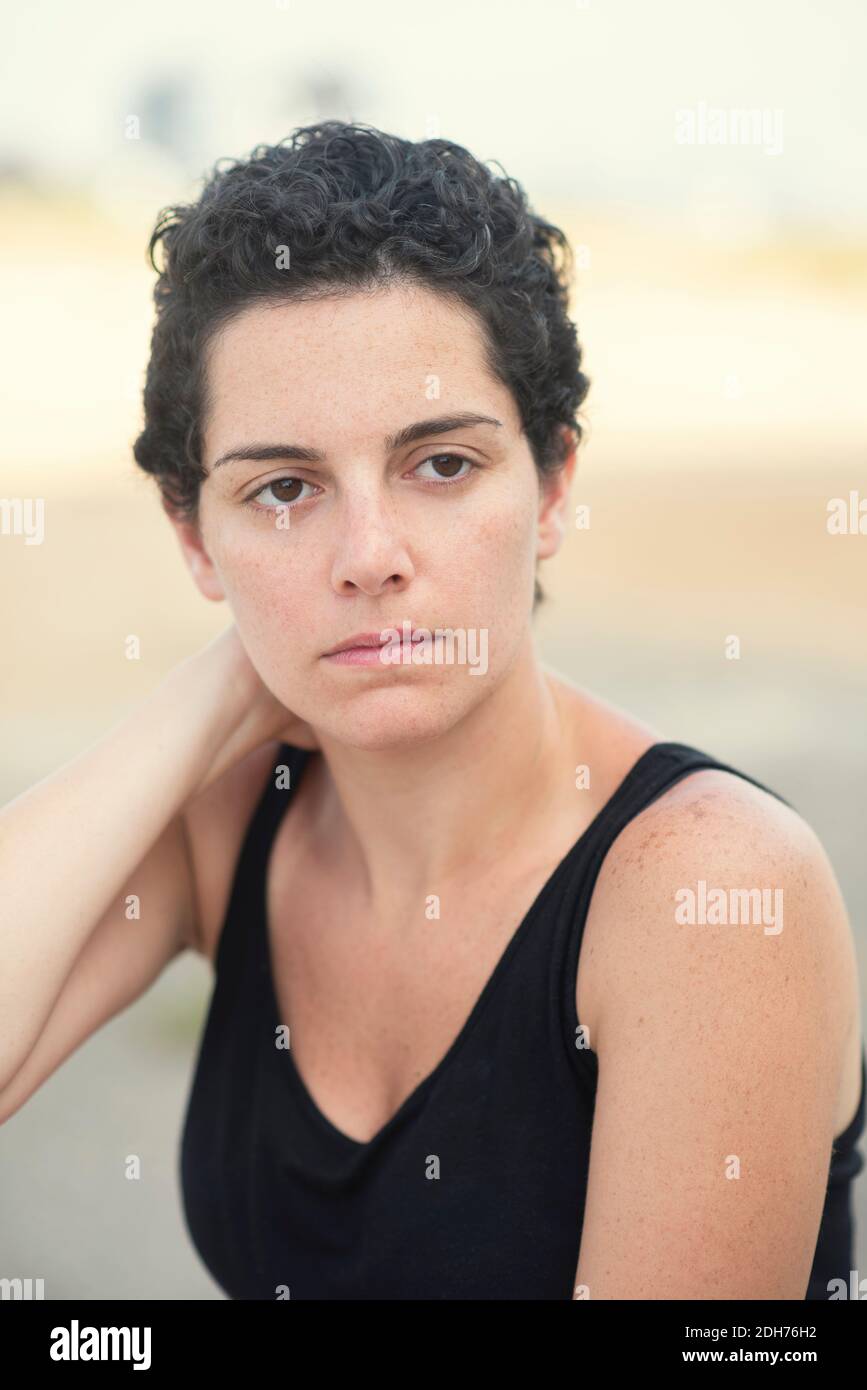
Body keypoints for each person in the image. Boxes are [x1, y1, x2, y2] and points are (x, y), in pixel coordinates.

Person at [1, 121, 863, 1300]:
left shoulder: (707, 892)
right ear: (194, 536)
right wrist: (213, 694)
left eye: (442, 464)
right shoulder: (230, 815)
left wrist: (287, 625)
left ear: (554, 480)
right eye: (284, 489)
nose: (367, 555)